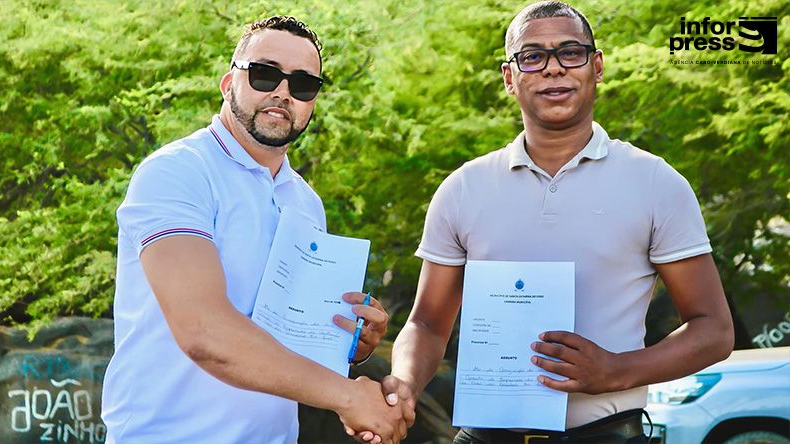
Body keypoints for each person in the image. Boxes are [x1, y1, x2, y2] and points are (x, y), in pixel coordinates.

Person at [378, 2, 734, 443]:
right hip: (485, 434)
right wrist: (405, 384)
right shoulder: (463, 188)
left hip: (605, 435)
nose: (553, 69)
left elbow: (714, 330)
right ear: (509, 77)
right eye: (532, 56)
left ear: (596, 66)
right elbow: (428, 324)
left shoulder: (655, 182)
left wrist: (616, 370)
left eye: (570, 52)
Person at [100, 16, 406, 444]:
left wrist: (349, 347)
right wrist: (348, 398)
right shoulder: (177, 172)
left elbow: (286, 340)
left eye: (303, 85)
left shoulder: (306, 202)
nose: (282, 92)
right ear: (228, 83)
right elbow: (204, 332)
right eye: (264, 74)